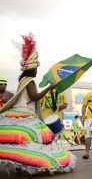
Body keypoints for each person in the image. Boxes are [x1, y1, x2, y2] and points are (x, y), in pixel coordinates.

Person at [0, 34, 75, 174]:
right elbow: (34, 96)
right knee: (36, 138)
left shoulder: (22, 80)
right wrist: (48, 88)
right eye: (36, 69)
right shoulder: (29, 81)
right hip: (25, 115)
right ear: (31, 69)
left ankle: (21, 167)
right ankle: (30, 166)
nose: (37, 71)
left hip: (19, 114)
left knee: (22, 142)